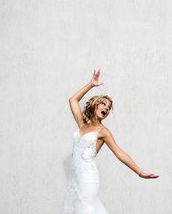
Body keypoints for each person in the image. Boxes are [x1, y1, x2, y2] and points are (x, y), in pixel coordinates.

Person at [62, 69, 158, 214]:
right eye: (103, 104)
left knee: (86, 210)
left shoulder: (103, 132)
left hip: (88, 177)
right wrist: (91, 84)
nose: (106, 108)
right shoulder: (82, 124)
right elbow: (72, 100)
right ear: (95, 105)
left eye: (109, 108)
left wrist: (140, 172)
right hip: (74, 178)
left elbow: (120, 153)